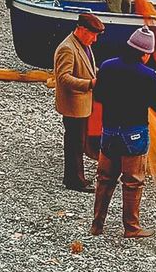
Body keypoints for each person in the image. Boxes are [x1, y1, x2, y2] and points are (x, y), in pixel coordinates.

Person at [90, 26, 156, 238]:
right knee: (132, 181)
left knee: (105, 178)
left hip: (110, 130)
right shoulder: (148, 75)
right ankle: (131, 227)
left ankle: (97, 225)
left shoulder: (107, 66)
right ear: (145, 53)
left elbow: (99, 96)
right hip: (134, 133)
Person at [54, 12, 104, 192]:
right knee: (74, 143)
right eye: (93, 35)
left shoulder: (83, 45)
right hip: (73, 105)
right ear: (82, 29)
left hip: (81, 104)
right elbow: (63, 78)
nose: (95, 40)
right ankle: (74, 181)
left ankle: (77, 177)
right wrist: (90, 84)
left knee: (78, 142)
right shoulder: (67, 48)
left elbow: (88, 68)